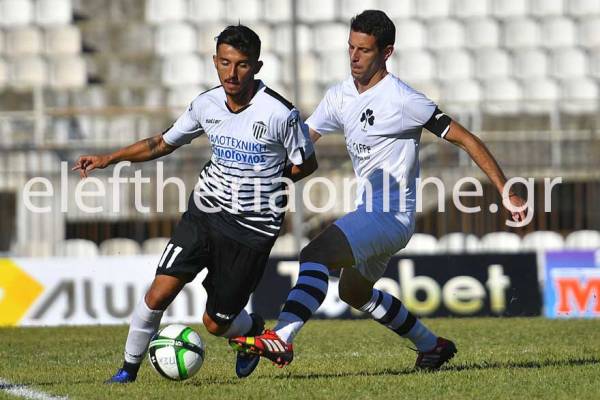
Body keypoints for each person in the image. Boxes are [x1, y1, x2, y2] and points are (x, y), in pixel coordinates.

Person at [230, 10, 527, 372]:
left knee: (314, 254)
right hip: (372, 215)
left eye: (364, 50)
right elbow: (304, 143)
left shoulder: (404, 99)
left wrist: (505, 190)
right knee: (353, 293)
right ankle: (430, 344)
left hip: (390, 216)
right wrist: (264, 174)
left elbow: (466, 139)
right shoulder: (339, 95)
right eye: (351, 47)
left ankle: (282, 337)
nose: (354, 57)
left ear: (386, 53)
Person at [73, 25, 317, 382]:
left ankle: (253, 329)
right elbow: (162, 143)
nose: (232, 74)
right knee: (158, 294)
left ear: (257, 66)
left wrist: (269, 184)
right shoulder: (206, 104)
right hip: (205, 212)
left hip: (252, 229)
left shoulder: (280, 113)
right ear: (215, 62)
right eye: (224, 63)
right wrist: (109, 158)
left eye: (242, 65)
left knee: (215, 324)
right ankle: (127, 372)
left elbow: (306, 163)